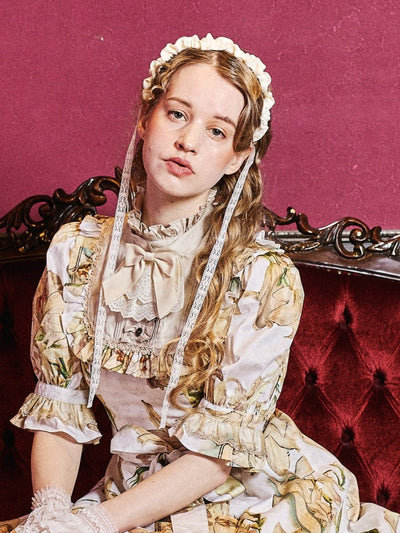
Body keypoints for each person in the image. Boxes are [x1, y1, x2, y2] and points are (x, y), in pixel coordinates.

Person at [0, 34, 398, 533]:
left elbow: (214, 460)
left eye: (216, 131)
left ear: (236, 157)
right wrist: (53, 514)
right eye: (177, 114)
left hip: (253, 492)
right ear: (145, 120)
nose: (188, 140)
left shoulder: (262, 277)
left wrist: (94, 524)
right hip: (132, 494)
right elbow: (60, 411)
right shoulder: (76, 252)